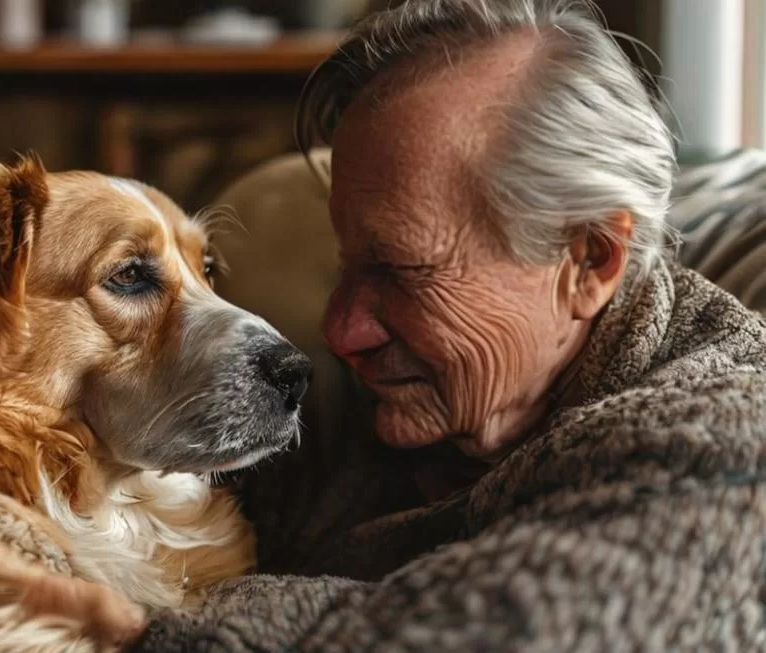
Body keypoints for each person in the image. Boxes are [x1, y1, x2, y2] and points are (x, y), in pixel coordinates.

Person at [134, 0, 766, 650]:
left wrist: (138, 624)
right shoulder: (369, 409)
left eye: (400, 269)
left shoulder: (731, 438)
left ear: (589, 258)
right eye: (345, 265)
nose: (340, 330)